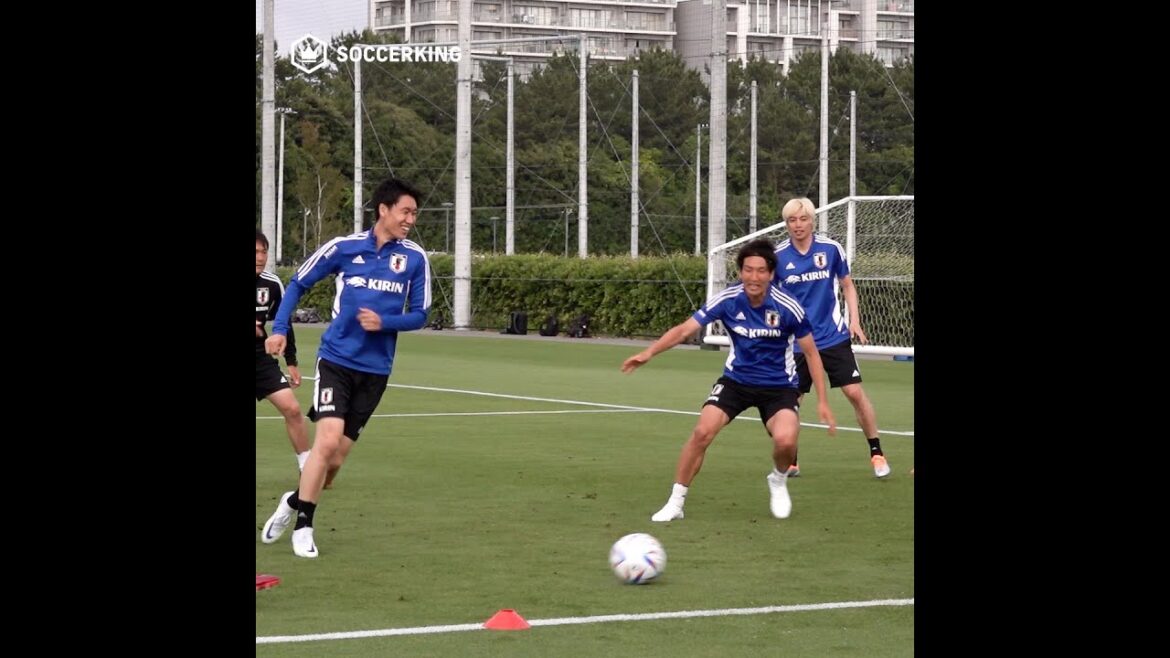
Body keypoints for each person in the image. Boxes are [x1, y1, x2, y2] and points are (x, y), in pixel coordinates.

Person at [260, 177, 431, 558]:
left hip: (376, 370)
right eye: (405, 211)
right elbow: (297, 283)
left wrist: (385, 323)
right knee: (326, 440)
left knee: (332, 465)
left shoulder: (415, 258)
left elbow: (422, 314)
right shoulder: (343, 248)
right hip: (336, 360)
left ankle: (293, 501)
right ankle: (304, 527)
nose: (410, 220)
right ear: (383, 209)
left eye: (414, 214)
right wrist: (280, 329)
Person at [622, 238, 836, 522]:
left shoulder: (788, 307)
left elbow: (811, 353)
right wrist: (649, 352)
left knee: (785, 441)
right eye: (748, 270)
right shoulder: (728, 300)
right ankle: (676, 502)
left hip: (779, 387)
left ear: (771, 274)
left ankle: (778, 479)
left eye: (761, 271)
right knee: (702, 432)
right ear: (740, 272)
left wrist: (822, 401)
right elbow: (685, 329)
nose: (754, 277)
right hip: (736, 382)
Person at [773, 197, 891, 478]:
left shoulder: (831, 249)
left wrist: (855, 320)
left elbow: (847, 286)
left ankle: (876, 453)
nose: (798, 225)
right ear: (786, 224)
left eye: (803, 219)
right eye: (792, 220)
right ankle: (792, 461)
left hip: (832, 336)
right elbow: (771, 298)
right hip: (797, 343)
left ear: (812, 221)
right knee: (792, 400)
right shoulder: (778, 257)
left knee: (854, 392)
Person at [256, 231, 311, 473]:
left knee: (293, 408)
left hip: (260, 357)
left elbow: (284, 323)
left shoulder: (271, 283)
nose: (260, 257)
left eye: (264, 251)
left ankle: (307, 466)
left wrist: (291, 361)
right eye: (255, 252)